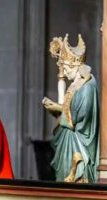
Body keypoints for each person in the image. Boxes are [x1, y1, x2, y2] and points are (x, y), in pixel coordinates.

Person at [43, 34, 100, 183]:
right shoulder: (75, 85)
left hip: (78, 141)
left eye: (67, 68)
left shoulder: (87, 86)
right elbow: (68, 109)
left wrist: (58, 107)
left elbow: (82, 115)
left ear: (76, 66)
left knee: (76, 178)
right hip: (69, 137)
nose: (65, 72)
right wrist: (56, 109)